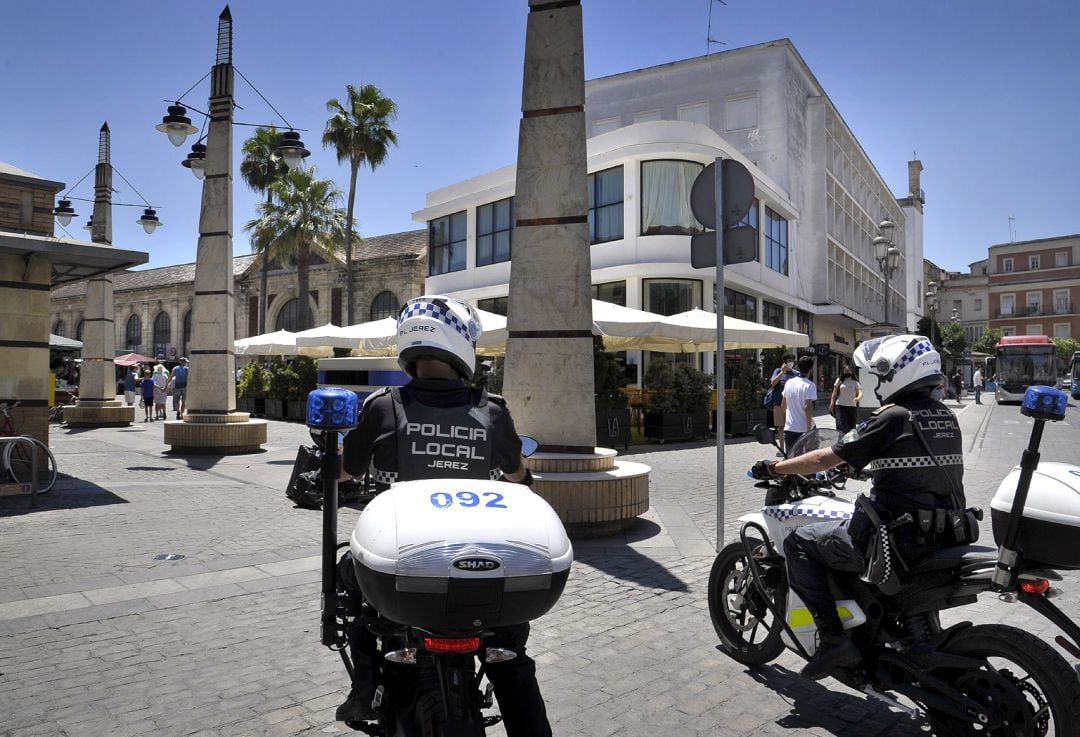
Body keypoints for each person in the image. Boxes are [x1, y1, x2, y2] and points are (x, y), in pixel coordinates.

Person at [335, 295, 550, 736]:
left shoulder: (382, 406)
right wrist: (525, 480)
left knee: (352, 591)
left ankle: (365, 685)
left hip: (405, 572)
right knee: (510, 654)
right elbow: (516, 473)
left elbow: (342, 471)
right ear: (462, 345)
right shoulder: (492, 410)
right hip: (484, 567)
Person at [752, 334, 964, 680]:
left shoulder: (894, 417)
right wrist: (866, 466)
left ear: (899, 373)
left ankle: (835, 640)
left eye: (881, 376)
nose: (879, 384)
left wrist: (775, 466)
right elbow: (913, 463)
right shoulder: (945, 416)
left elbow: (824, 457)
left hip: (897, 539)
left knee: (800, 543)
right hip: (944, 533)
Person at [780, 355, 816, 455]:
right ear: (811, 369)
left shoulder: (789, 383)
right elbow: (807, 407)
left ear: (798, 367)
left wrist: (787, 420)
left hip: (790, 427)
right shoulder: (810, 385)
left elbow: (783, 405)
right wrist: (809, 430)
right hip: (803, 428)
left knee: (791, 458)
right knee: (807, 457)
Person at [767, 353, 800, 454]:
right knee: (781, 427)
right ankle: (782, 449)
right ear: (784, 362)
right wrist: (782, 372)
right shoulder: (778, 371)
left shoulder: (796, 374)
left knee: (792, 427)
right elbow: (772, 383)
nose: (790, 362)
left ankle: (793, 448)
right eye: (788, 360)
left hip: (792, 405)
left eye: (792, 360)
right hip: (778, 403)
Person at [829, 366, 863, 435]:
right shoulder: (839, 380)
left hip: (852, 407)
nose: (847, 372)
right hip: (840, 406)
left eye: (849, 371)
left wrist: (858, 398)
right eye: (846, 371)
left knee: (851, 428)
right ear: (843, 372)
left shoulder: (855, 382)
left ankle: (850, 444)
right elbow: (834, 393)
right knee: (841, 427)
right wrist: (832, 404)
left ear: (852, 372)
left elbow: (860, 392)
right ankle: (841, 443)